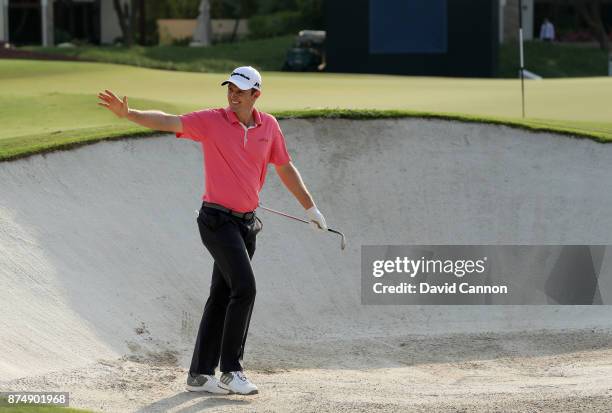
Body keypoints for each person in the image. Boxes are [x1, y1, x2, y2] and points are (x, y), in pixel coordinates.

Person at [97, 66, 327, 395]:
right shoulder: (212, 121)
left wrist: (311, 207)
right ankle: (231, 370)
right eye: (230, 88)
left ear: (256, 95)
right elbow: (168, 121)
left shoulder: (269, 127)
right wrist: (128, 113)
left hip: (247, 225)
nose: (233, 94)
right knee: (245, 288)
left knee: (221, 295)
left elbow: (285, 166)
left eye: (241, 90)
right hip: (216, 221)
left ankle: (199, 375)